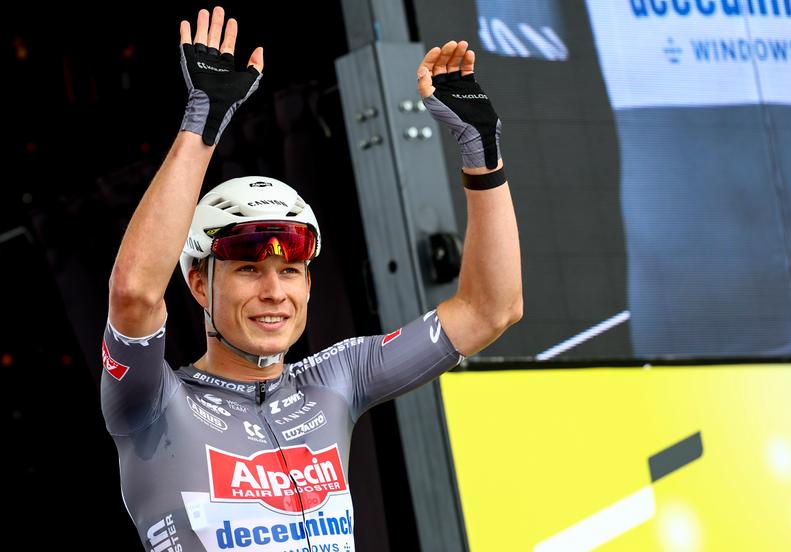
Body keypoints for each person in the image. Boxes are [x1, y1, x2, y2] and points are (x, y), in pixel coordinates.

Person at [101, 6, 521, 551]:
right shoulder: (153, 403)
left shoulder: (335, 380)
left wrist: (482, 155)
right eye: (249, 269)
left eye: (291, 270)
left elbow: (493, 309)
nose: (274, 291)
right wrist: (202, 124)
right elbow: (133, 294)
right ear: (200, 285)